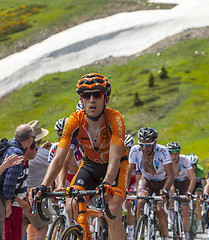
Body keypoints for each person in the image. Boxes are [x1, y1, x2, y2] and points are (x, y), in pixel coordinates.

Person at [30, 73, 128, 240]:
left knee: (113, 207)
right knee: (72, 204)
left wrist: (106, 183)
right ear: (81, 100)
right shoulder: (74, 120)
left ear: (106, 99)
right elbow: (59, 159)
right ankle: (82, 233)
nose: (91, 100)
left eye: (97, 94)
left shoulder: (115, 119)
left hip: (115, 167)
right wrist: (44, 186)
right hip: (90, 165)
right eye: (86, 95)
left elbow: (115, 158)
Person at [129, 127, 174, 240]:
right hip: (146, 180)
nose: (144, 148)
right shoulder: (135, 150)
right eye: (142, 145)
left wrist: (165, 190)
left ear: (155, 143)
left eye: (148, 145)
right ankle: (140, 233)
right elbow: (128, 172)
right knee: (141, 200)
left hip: (162, 182)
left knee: (160, 210)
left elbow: (171, 174)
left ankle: (165, 237)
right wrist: (124, 189)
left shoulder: (162, 150)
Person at [0, 124, 35, 239]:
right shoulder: (18, 154)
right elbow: (10, 181)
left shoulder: (8, 146)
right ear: (30, 139)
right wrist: (8, 203)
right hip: (5, 200)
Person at [22, 120, 52, 240]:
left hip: (20, 196)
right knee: (42, 228)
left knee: (21, 228)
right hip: (36, 198)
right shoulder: (45, 154)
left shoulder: (21, 152)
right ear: (38, 139)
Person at [7, 141, 38, 240]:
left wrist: (26, 200)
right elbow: (7, 186)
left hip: (17, 206)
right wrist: (19, 201)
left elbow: (21, 186)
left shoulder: (26, 164)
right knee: (9, 235)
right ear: (29, 150)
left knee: (16, 235)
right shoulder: (19, 164)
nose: (37, 152)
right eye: (36, 149)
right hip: (11, 206)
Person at [166, 142, 196, 240]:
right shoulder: (166, 160)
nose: (173, 156)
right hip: (171, 180)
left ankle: (186, 232)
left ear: (179, 153)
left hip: (183, 182)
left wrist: (189, 192)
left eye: (176, 153)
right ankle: (170, 217)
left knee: (185, 209)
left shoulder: (185, 160)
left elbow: (192, 178)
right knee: (171, 192)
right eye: (171, 153)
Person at [187, 153, 206, 233]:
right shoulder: (185, 169)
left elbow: (204, 184)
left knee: (198, 198)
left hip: (197, 186)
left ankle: (199, 224)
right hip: (188, 185)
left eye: (194, 165)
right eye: (190, 165)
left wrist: (204, 195)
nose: (192, 167)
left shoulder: (200, 170)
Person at [124, 134, 136, 240]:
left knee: (128, 203)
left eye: (126, 149)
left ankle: (131, 233)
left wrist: (133, 191)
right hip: (123, 182)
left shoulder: (135, 158)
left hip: (133, 183)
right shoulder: (118, 157)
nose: (123, 151)